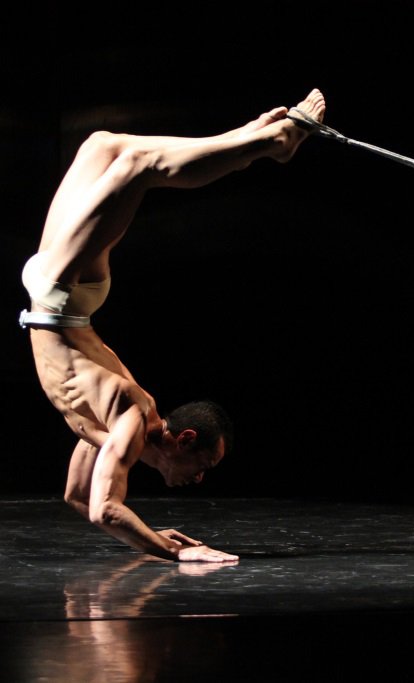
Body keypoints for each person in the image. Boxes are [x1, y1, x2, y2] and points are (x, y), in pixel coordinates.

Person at [19, 88, 328, 562]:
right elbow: (105, 510)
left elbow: (78, 498)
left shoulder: (109, 430)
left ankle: (253, 140)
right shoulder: (131, 417)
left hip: (55, 294)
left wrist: (150, 535)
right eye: (203, 465)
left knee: (101, 145)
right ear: (184, 440)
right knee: (136, 165)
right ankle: (269, 142)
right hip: (61, 294)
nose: (199, 479)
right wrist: (177, 553)